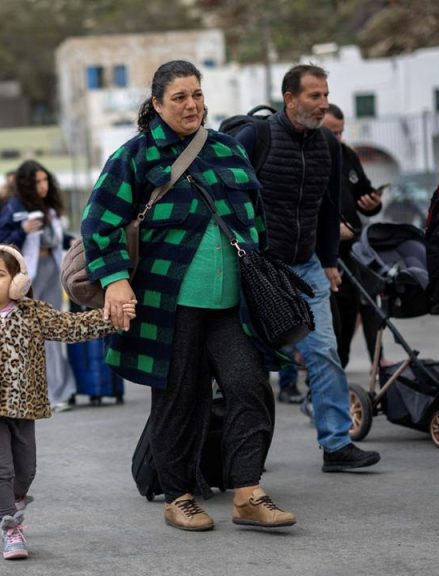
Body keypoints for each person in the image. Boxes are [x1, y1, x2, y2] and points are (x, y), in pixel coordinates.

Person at [82, 59, 297, 532]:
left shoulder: (227, 151)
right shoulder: (134, 156)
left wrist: (265, 275)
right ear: (157, 104)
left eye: (196, 95)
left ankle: (247, 492)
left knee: (250, 386)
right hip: (168, 305)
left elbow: (255, 220)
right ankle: (177, 495)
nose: (191, 105)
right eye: (179, 97)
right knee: (179, 398)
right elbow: (99, 224)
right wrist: (115, 279)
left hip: (231, 305)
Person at [0, 245, 134, 559]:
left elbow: (71, 327)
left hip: (24, 406)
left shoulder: (33, 312)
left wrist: (112, 318)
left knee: (26, 470)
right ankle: (9, 528)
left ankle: (15, 500)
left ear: (18, 281)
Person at [236, 64, 380, 472]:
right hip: (258, 268)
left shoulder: (329, 148)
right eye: (314, 96)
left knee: (324, 351)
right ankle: (246, 453)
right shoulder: (254, 137)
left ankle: (336, 445)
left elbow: (329, 207)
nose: (323, 104)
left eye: (326, 95)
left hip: (307, 265)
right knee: (251, 360)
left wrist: (330, 260)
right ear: (290, 99)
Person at [0, 160, 75, 412]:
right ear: (27, 184)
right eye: (37, 181)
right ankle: (41, 391)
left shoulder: (50, 208)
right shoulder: (14, 207)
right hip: (27, 276)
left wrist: (72, 242)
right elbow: (1, 244)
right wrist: (22, 229)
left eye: (45, 180)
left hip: (51, 270)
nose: (43, 185)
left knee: (52, 331)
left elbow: (57, 240)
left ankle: (60, 390)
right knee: (30, 333)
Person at [321, 104, 385, 368]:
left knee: (357, 312)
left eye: (340, 132)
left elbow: (364, 191)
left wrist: (372, 203)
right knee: (331, 325)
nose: (336, 138)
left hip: (353, 251)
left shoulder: (347, 154)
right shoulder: (307, 156)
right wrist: (328, 231)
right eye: (330, 132)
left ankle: (374, 365)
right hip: (323, 253)